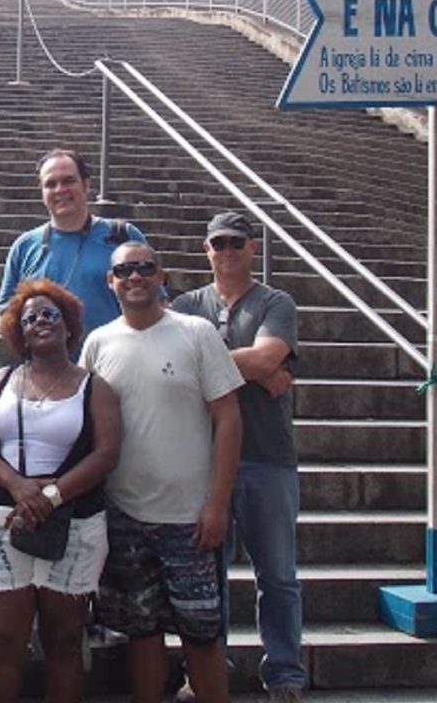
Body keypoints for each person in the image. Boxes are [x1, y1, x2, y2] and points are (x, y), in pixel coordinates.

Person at [80, 242, 244, 703]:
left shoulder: (196, 332)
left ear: (161, 276)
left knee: (201, 635)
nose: (134, 276)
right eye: (124, 270)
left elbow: (228, 417)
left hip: (189, 519)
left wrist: (218, 503)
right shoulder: (98, 343)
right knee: (142, 632)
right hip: (124, 516)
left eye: (144, 268)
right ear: (110, 281)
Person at [0, 279, 120, 703]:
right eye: (29, 318)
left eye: (50, 314)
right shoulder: (1, 380)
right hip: (5, 518)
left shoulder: (95, 386)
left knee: (65, 641)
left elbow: (106, 453)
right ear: (19, 333)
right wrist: (15, 485)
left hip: (73, 522)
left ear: (68, 325)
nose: (40, 322)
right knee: (0, 641)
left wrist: (51, 497)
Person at [172, 211, 304, 703]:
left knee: (278, 575)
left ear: (253, 247)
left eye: (236, 242)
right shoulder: (187, 305)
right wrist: (256, 368)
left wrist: (213, 363)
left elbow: (268, 358)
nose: (226, 251)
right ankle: (208, 669)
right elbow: (171, 364)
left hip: (268, 456)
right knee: (209, 577)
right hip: (203, 459)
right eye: (218, 243)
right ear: (206, 250)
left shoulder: (275, 302)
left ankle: (285, 672)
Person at [0, 148, 147, 341]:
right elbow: (4, 316)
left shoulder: (123, 237)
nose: (60, 190)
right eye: (51, 184)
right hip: (47, 359)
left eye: (68, 181)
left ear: (86, 185)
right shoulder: (24, 247)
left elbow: (156, 303)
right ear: (42, 192)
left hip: (114, 356)